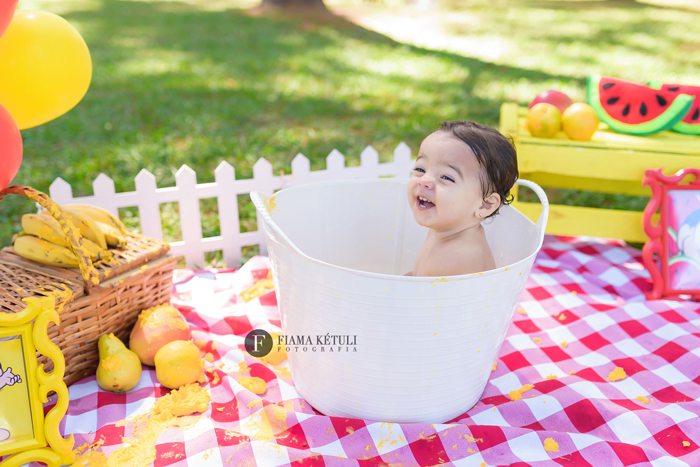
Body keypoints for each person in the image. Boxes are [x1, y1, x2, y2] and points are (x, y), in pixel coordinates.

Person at [404, 121, 518, 277]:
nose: (424, 180)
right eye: (420, 169)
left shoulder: (454, 258)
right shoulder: (449, 229)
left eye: (446, 177)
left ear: (485, 205)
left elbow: (421, 300)